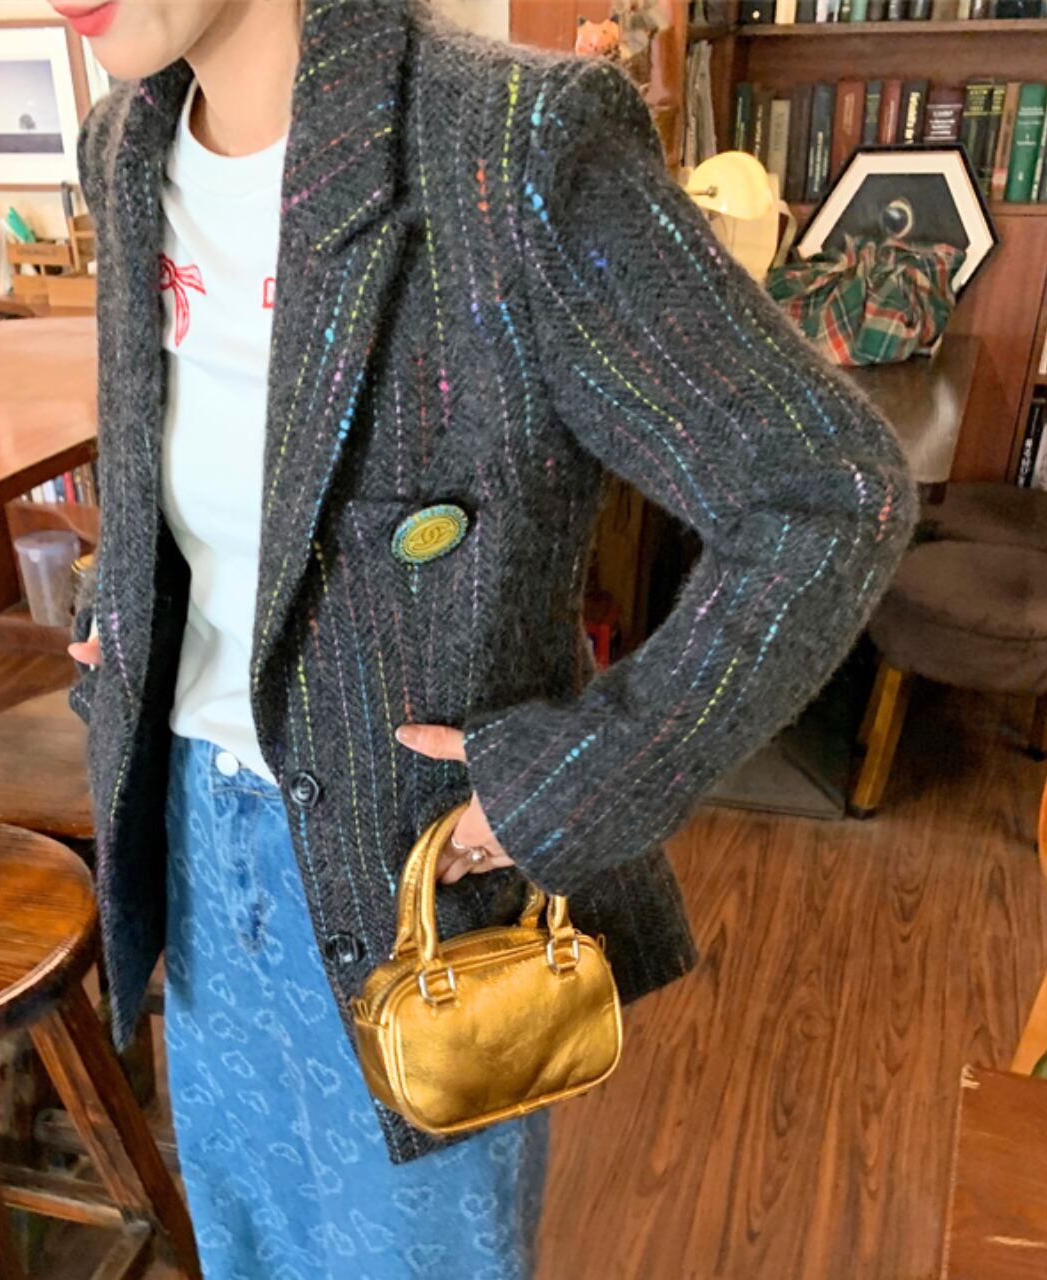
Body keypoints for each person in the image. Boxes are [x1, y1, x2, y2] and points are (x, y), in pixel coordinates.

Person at [53, 0, 919, 1274]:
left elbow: (827, 492)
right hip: (190, 839)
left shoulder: (509, 145)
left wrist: (576, 780)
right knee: (243, 1246)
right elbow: (213, 484)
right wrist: (118, 610)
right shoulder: (125, 148)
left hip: (416, 884)